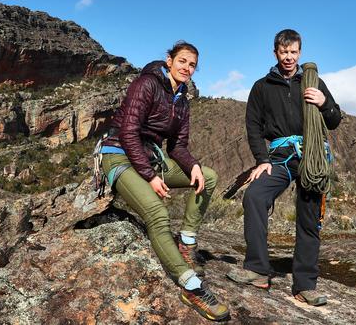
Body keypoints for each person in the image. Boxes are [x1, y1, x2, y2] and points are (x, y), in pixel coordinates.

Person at [100, 41, 229, 321]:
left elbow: (177, 147)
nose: (187, 68)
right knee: (157, 214)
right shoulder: (146, 84)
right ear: (169, 60)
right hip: (119, 156)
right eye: (182, 61)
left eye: (192, 65)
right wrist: (149, 176)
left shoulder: (182, 102)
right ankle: (191, 287)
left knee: (208, 176)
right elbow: (128, 133)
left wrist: (193, 166)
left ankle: (186, 242)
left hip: (153, 158)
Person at [235, 29, 341, 306]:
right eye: (284, 52)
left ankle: (305, 285)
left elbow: (334, 120)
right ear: (275, 53)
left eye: (293, 52)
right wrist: (262, 160)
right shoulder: (262, 87)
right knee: (255, 197)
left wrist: (324, 102)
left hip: (311, 158)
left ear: (300, 52)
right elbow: (253, 128)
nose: (289, 57)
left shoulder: (314, 82)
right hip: (279, 158)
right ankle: (258, 270)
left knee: (308, 219)